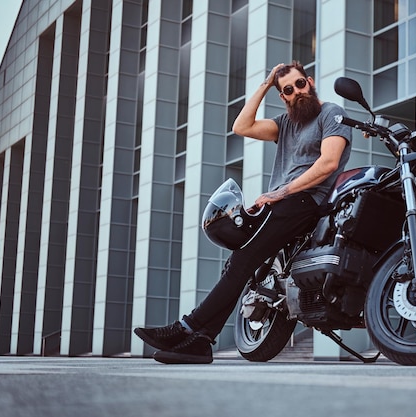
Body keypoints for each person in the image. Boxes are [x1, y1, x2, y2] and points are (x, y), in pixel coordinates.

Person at [134, 61, 352, 364]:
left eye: (300, 84)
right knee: (237, 264)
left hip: (305, 202)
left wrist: (281, 192)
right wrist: (265, 85)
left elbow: (328, 163)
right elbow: (242, 127)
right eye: (288, 90)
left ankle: (187, 328)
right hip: (281, 203)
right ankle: (200, 341)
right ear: (283, 97)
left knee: (242, 260)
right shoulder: (286, 123)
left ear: (310, 82)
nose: (297, 92)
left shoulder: (330, 113)